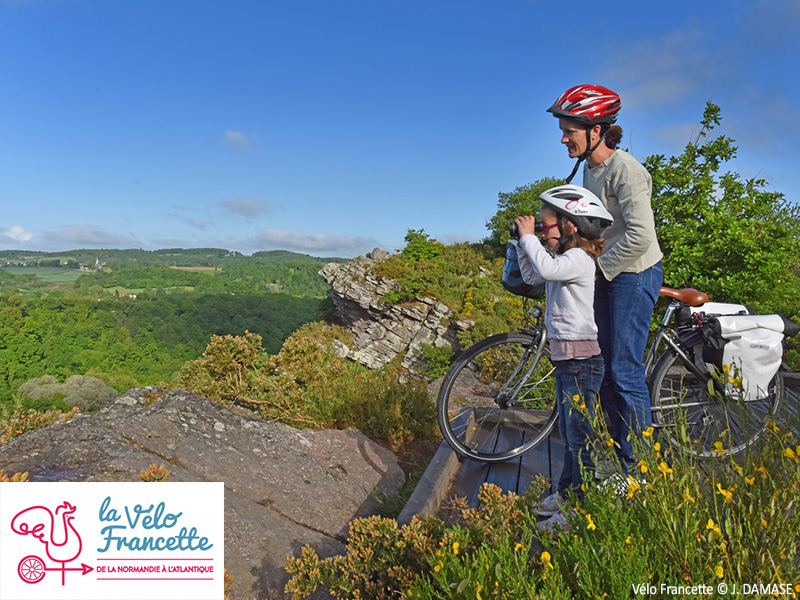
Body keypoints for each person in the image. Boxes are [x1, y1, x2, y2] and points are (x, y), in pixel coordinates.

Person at [547, 84, 663, 474]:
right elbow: (597, 230)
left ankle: (642, 473)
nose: (563, 138)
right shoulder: (592, 172)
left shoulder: (625, 170)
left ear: (595, 130)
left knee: (624, 371)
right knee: (604, 369)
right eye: (563, 131)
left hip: (634, 273)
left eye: (570, 131)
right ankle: (624, 458)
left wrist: (594, 269)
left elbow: (640, 236)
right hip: (610, 272)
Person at [513, 184, 613, 529]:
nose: (541, 230)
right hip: (568, 361)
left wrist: (529, 239)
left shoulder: (579, 259)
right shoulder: (562, 259)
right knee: (570, 434)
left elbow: (546, 270)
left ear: (571, 225)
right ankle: (568, 493)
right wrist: (522, 243)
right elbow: (532, 276)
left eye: (545, 225)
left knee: (578, 437)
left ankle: (577, 511)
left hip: (581, 363)